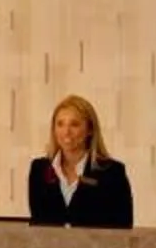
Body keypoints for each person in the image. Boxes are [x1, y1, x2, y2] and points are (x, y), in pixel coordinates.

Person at [27, 94, 133, 228]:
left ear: (89, 129)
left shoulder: (112, 172)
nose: (66, 132)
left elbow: (123, 230)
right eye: (60, 124)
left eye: (74, 124)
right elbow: (38, 223)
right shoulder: (39, 169)